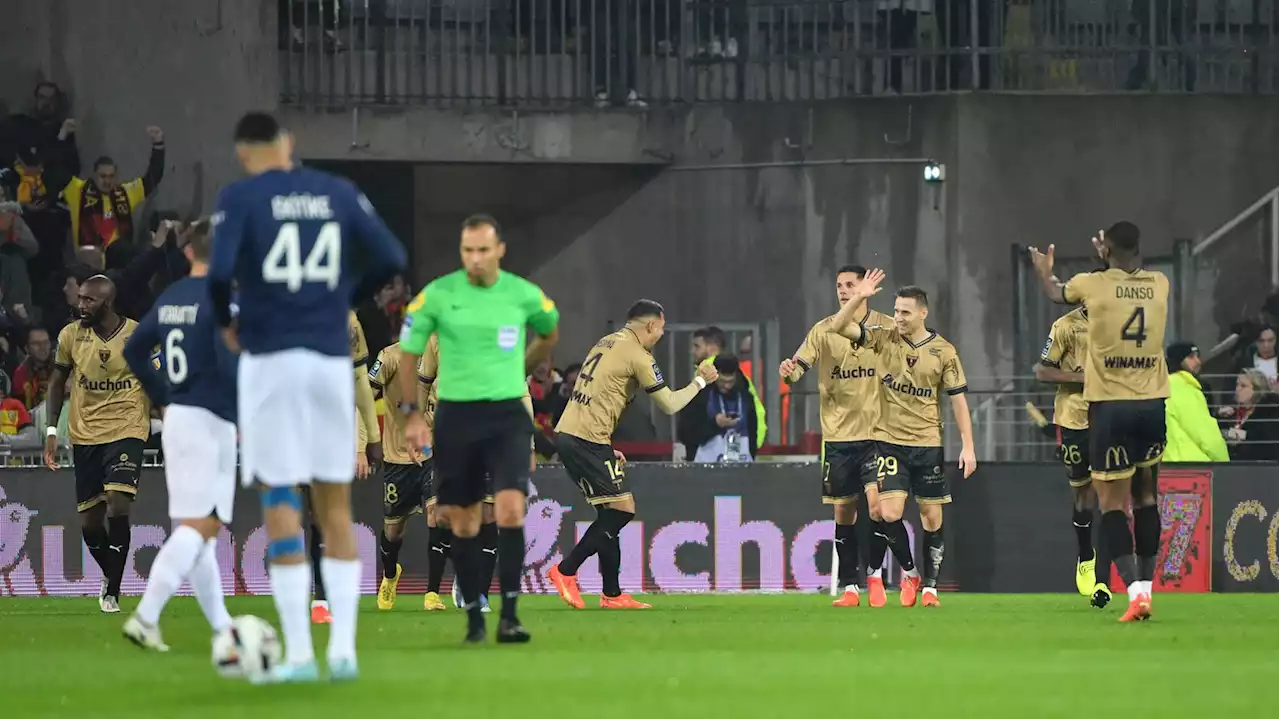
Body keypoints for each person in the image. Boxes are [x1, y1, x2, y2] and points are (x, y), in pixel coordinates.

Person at [208, 111, 407, 682]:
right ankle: (342, 649)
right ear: (288, 144)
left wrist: (229, 325)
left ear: (244, 152)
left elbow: (219, 276)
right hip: (328, 363)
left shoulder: (240, 197)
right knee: (335, 505)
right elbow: (392, 259)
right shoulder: (336, 191)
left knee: (281, 502)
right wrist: (343, 292)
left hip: (270, 362)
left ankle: (298, 653)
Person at [398, 213, 558, 644]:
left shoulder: (523, 294)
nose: (475, 259)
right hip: (456, 416)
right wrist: (412, 414)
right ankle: (472, 616)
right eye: (468, 251)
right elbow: (409, 351)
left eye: (483, 250)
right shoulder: (437, 295)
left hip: (507, 415)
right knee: (463, 522)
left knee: (509, 510)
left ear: (500, 250)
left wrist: (518, 369)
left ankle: (508, 616)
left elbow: (549, 331)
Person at [1029, 222, 1169, 622]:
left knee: (1109, 503)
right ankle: (1147, 588)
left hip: (1110, 405)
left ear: (1105, 249)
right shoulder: (1160, 283)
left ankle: (1134, 594)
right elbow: (1123, 284)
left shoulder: (1092, 284)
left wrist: (1044, 271)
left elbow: (1058, 292)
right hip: (1152, 403)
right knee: (1146, 497)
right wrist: (1107, 259)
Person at [547, 300, 717, 610]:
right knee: (622, 510)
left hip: (576, 435)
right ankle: (565, 570)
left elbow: (598, 395)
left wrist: (605, 445)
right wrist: (701, 381)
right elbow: (669, 404)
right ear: (651, 326)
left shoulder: (607, 341)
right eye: (661, 330)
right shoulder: (639, 355)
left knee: (610, 511)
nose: (661, 336)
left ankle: (612, 594)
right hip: (585, 439)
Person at [829, 273, 978, 608]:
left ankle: (930, 589)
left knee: (931, 518)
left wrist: (968, 445)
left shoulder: (944, 352)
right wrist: (859, 296)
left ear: (923, 313)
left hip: (927, 443)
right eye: (896, 311)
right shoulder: (883, 339)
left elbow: (958, 400)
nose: (898, 317)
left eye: (905, 312)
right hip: (889, 440)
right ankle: (910, 572)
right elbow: (839, 326)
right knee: (888, 512)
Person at [119, 219, 235, 650]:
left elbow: (134, 349)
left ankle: (224, 627)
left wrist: (162, 396)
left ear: (188, 252)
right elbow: (231, 361)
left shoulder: (171, 297)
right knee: (203, 524)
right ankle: (147, 615)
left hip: (177, 419)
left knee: (193, 528)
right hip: (212, 419)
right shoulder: (224, 300)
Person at [779, 264, 894, 608]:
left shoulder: (886, 327)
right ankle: (849, 587)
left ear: (865, 288)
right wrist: (788, 370)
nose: (842, 290)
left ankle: (874, 575)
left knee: (878, 508)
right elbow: (794, 373)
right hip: (839, 436)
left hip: (877, 433)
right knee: (844, 512)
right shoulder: (823, 331)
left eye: (850, 285)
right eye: (839, 285)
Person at [42, 275, 152, 614]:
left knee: (119, 502)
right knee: (90, 523)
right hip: (85, 433)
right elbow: (57, 382)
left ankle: (113, 593)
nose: (80, 305)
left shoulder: (137, 335)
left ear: (107, 302)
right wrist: (50, 430)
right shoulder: (70, 336)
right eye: (79, 298)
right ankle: (111, 574)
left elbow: (160, 379)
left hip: (127, 427)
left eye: (88, 300)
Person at [306, 310, 382, 625]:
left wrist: (371, 437)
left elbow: (359, 378)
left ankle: (322, 598)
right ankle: (317, 599)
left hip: (332, 426)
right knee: (295, 510)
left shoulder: (348, 320)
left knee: (326, 512)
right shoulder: (284, 306)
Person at [1033, 305, 1112, 605]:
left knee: (1109, 495)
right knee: (1083, 497)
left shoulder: (1118, 322)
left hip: (1108, 417)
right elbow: (1042, 370)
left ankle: (1103, 581)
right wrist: (1084, 380)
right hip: (1073, 420)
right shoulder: (1065, 326)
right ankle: (1085, 554)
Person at [368, 339, 440, 610]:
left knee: (436, 515)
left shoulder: (443, 353)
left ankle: (432, 593)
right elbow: (364, 396)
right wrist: (362, 445)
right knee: (393, 531)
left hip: (431, 453)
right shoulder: (390, 357)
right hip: (397, 458)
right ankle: (389, 575)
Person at [1163, 342, 1228, 463]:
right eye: (1191, 357)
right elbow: (1204, 433)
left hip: (1169, 463)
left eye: (1198, 356)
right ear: (1179, 360)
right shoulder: (1183, 388)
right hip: (1191, 465)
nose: (1198, 362)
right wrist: (1224, 462)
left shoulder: (1164, 386)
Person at [1220, 369, 1280, 461]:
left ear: (1257, 389)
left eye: (1243, 386)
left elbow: (1266, 443)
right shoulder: (1232, 413)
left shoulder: (1270, 413)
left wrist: (1241, 435)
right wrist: (1220, 418)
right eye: (1237, 385)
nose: (1237, 389)